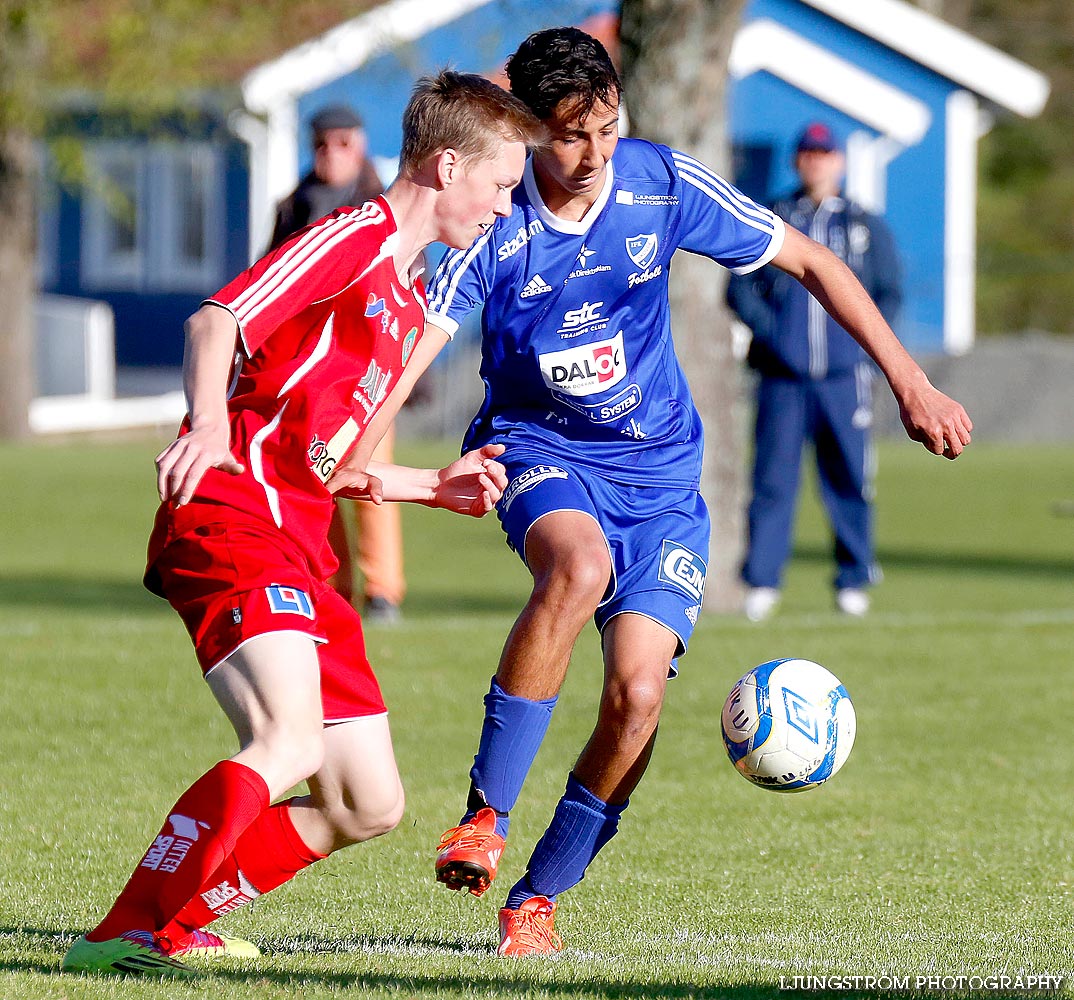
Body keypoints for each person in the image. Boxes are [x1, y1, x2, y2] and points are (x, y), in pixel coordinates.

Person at [332, 28, 971, 958]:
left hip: (663, 475)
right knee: (578, 566)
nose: (592, 156)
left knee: (635, 697)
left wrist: (911, 381)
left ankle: (537, 898)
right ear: (526, 131)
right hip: (539, 450)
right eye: (568, 137)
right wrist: (356, 443)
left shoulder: (660, 184)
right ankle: (484, 815)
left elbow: (815, 264)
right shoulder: (495, 222)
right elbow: (413, 349)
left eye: (606, 128)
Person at [60, 71, 545, 978]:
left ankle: (182, 918)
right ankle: (128, 925)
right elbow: (219, 320)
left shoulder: (404, 303)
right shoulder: (353, 236)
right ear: (447, 167)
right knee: (289, 739)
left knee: (369, 802)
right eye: (503, 183)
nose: (505, 206)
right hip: (231, 516)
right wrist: (207, 421)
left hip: (301, 548)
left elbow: (330, 463)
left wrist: (428, 487)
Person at [728, 122, 903, 621]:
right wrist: (775, 336)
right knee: (773, 479)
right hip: (784, 380)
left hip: (844, 381)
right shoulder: (776, 218)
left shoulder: (864, 225)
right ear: (796, 160)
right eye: (808, 153)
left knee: (849, 476)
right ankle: (762, 581)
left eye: (825, 154)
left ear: (840, 161)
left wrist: (862, 344)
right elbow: (741, 289)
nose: (817, 162)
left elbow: (887, 292)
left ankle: (854, 577)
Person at [269, 104, 406, 625]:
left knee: (370, 481)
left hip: (368, 366)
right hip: (306, 371)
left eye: (342, 142)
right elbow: (267, 284)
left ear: (362, 143)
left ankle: (383, 592)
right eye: (322, 143)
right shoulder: (292, 207)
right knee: (313, 482)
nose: (331, 153)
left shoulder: (382, 205)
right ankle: (330, 584)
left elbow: (406, 294)